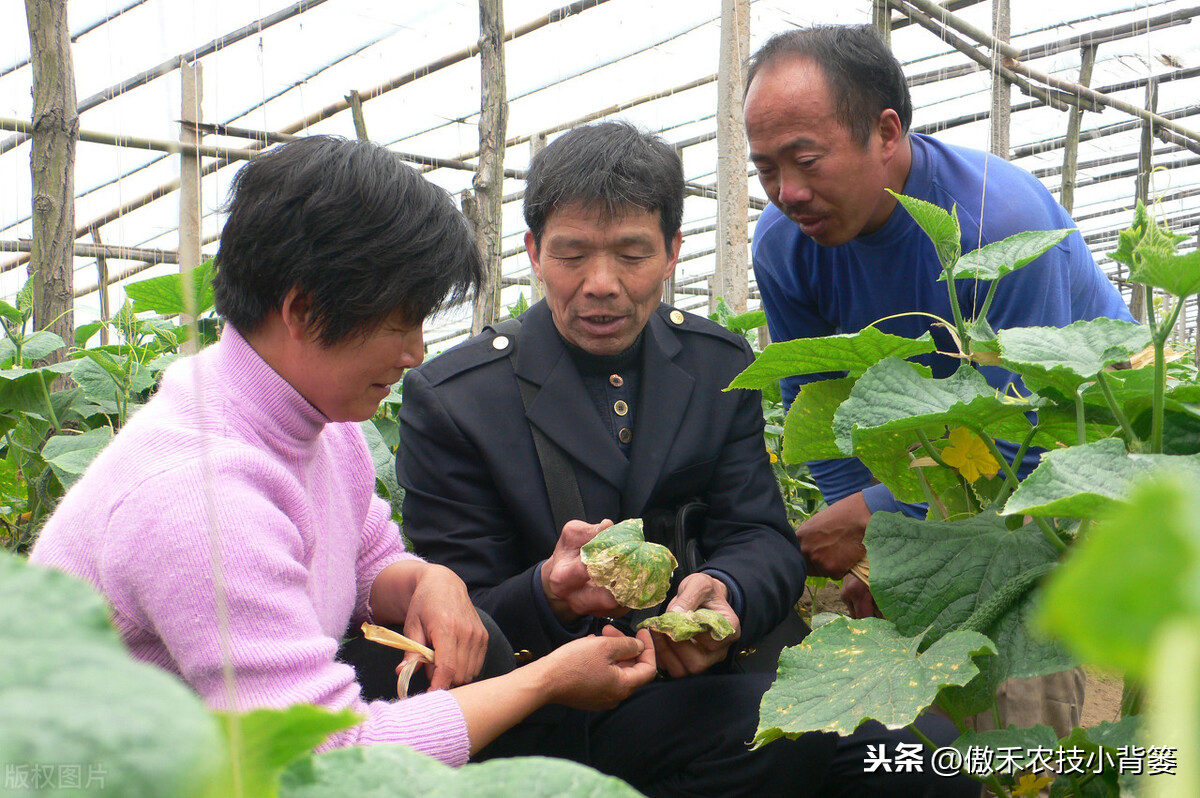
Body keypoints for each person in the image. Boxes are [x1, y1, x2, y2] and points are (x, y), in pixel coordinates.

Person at [30, 135, 659, 766]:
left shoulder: (318, 422)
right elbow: (324, 755)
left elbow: (367, 564)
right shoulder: (199, 499)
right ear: (303, 309)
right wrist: (547, 679)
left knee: (474, 642)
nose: (415, 352)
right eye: (398, 322)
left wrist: (428, 579)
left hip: (205, 742)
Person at [397, 121, 978, 797]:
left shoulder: (715, 365)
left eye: (632, 254)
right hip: (554, 708)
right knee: (808, 751)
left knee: (929, 756)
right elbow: (456, 608)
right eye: (572, 255)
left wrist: (726, 595)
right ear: (532, 251)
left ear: (673, 251)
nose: (602, 284)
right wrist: (549, 594)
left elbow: (760, 534)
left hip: (710, 681)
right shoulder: (457, 400)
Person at [743, 25, 1133, 734]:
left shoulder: (995, 223)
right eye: (765, 168)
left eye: (805, 160)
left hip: (1078, 440)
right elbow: (822, 413)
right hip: (944, 442)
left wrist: (880, 517)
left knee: (1018, 699)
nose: (786, 192)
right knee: (920, 724)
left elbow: (1027, 433)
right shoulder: (783, 245)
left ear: (886, 132)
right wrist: (876, 553)